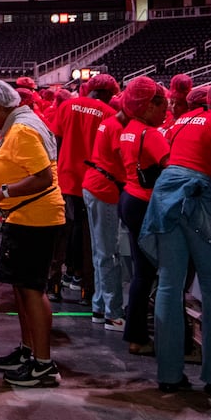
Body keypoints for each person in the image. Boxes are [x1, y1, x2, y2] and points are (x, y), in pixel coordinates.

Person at [140, 82, 211, 395]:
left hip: (166, 197)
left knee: (169, 285)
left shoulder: (179, 122)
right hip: (199, 199)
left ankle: (169, 374)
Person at [0, 78, 64, 388]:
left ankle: (43, 364)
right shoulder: (15, 126)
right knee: (20, 288)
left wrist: (2, 192)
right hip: (22, 216)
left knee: (32, 290)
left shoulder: (22, 130)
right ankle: (29, 350)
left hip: (36, 218)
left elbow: (44, 178)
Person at [115, 76, 170, 356]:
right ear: (148, 105)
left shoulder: (129, 129)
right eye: (162, 107)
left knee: (141, 274)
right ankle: (156, 336)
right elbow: (171, 171)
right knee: (157, 275)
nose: (165, 113)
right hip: (147, 203)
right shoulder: (152, 134)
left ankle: (135, 336)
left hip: (129, 198)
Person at [52, 75, 113, 306]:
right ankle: (87, 290)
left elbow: (55, 140)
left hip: (65, 176)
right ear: (106, 93)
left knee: (60, 234)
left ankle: (54, 285)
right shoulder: (107, 112)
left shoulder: (66, 106)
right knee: (90, 238)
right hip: (92, 181)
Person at [74, 75, 125, 329]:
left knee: (97, 249)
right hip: (103, 188)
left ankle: (99, 304)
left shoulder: (69, 107)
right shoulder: (110, 119)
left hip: (79, 179)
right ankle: (111, 311)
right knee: (106, 251)